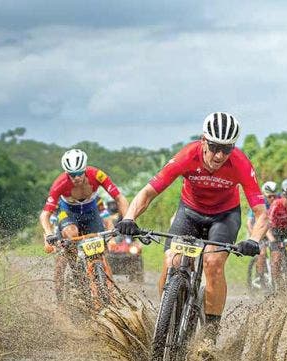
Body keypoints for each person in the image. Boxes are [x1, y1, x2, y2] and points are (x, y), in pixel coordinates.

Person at [116, 112, 266, 337]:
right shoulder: (187, 155)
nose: (219, 155)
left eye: (226, 149)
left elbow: (261, 212)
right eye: (214, 147)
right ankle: (166, 317)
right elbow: (148, 193)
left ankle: (209, 335)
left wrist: (254, 239)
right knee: (171, 262)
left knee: (213, 263)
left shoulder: (241, 164)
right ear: (203, 140)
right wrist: (129, 218)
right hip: (190, 211)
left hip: (224, 216)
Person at [39, 150, 129, 295]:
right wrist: (49, 234)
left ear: (85, 169)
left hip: (91, 212)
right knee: (68, 242)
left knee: (100, 253)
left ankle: (112, 296)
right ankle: (62, 300)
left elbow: (120, 198)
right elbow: (45, 215)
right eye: (72, 175)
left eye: (79, 173)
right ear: (67, 173)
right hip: (68, 212)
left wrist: (127, 220)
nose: (76, 178)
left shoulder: (97, 175)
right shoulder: (60, 183)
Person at [247, 181, 278, 289]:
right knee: (262, 252)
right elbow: (249, 223)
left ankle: (276, 278)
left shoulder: (277, 202)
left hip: (270, 231)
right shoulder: (259, 203)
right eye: (270, 196)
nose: (273, 199)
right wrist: (254, 238)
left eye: (275, 196)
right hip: (257, 232)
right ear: (265, 195)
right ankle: (260, 277)